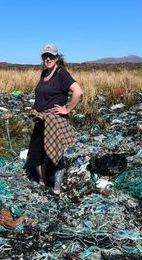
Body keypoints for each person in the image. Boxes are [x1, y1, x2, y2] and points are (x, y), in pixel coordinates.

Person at [27, 44, 83, 195]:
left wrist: (67, 109)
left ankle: (56, 189)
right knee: (35, 153)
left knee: (56, 155)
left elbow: (78, 92)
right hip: (41, 119)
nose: (48, 58)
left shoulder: (61, 74)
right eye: (45, 56)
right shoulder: (44, 73)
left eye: (51, 56)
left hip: (55, 121)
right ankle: (42, 181)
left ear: (57, 57)